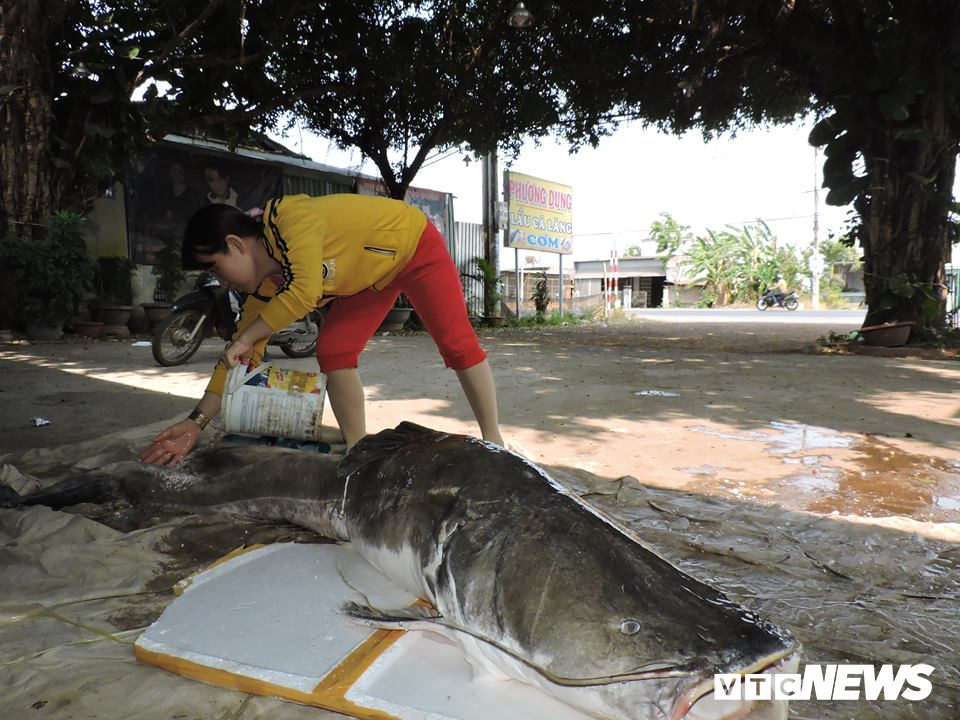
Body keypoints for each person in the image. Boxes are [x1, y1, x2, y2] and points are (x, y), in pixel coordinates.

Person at [138, 194, 504, 467]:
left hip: (412, 245)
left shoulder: (288, 218)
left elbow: (304, 291)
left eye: (217, 270)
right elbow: (236, 357)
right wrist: (195, 423)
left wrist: (250, 336)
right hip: (365, 280)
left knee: (457, 344)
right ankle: (358, 448)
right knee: (335, 352)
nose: (220, 282)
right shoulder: (266, 287)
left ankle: (496, 444)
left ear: (235, 244)